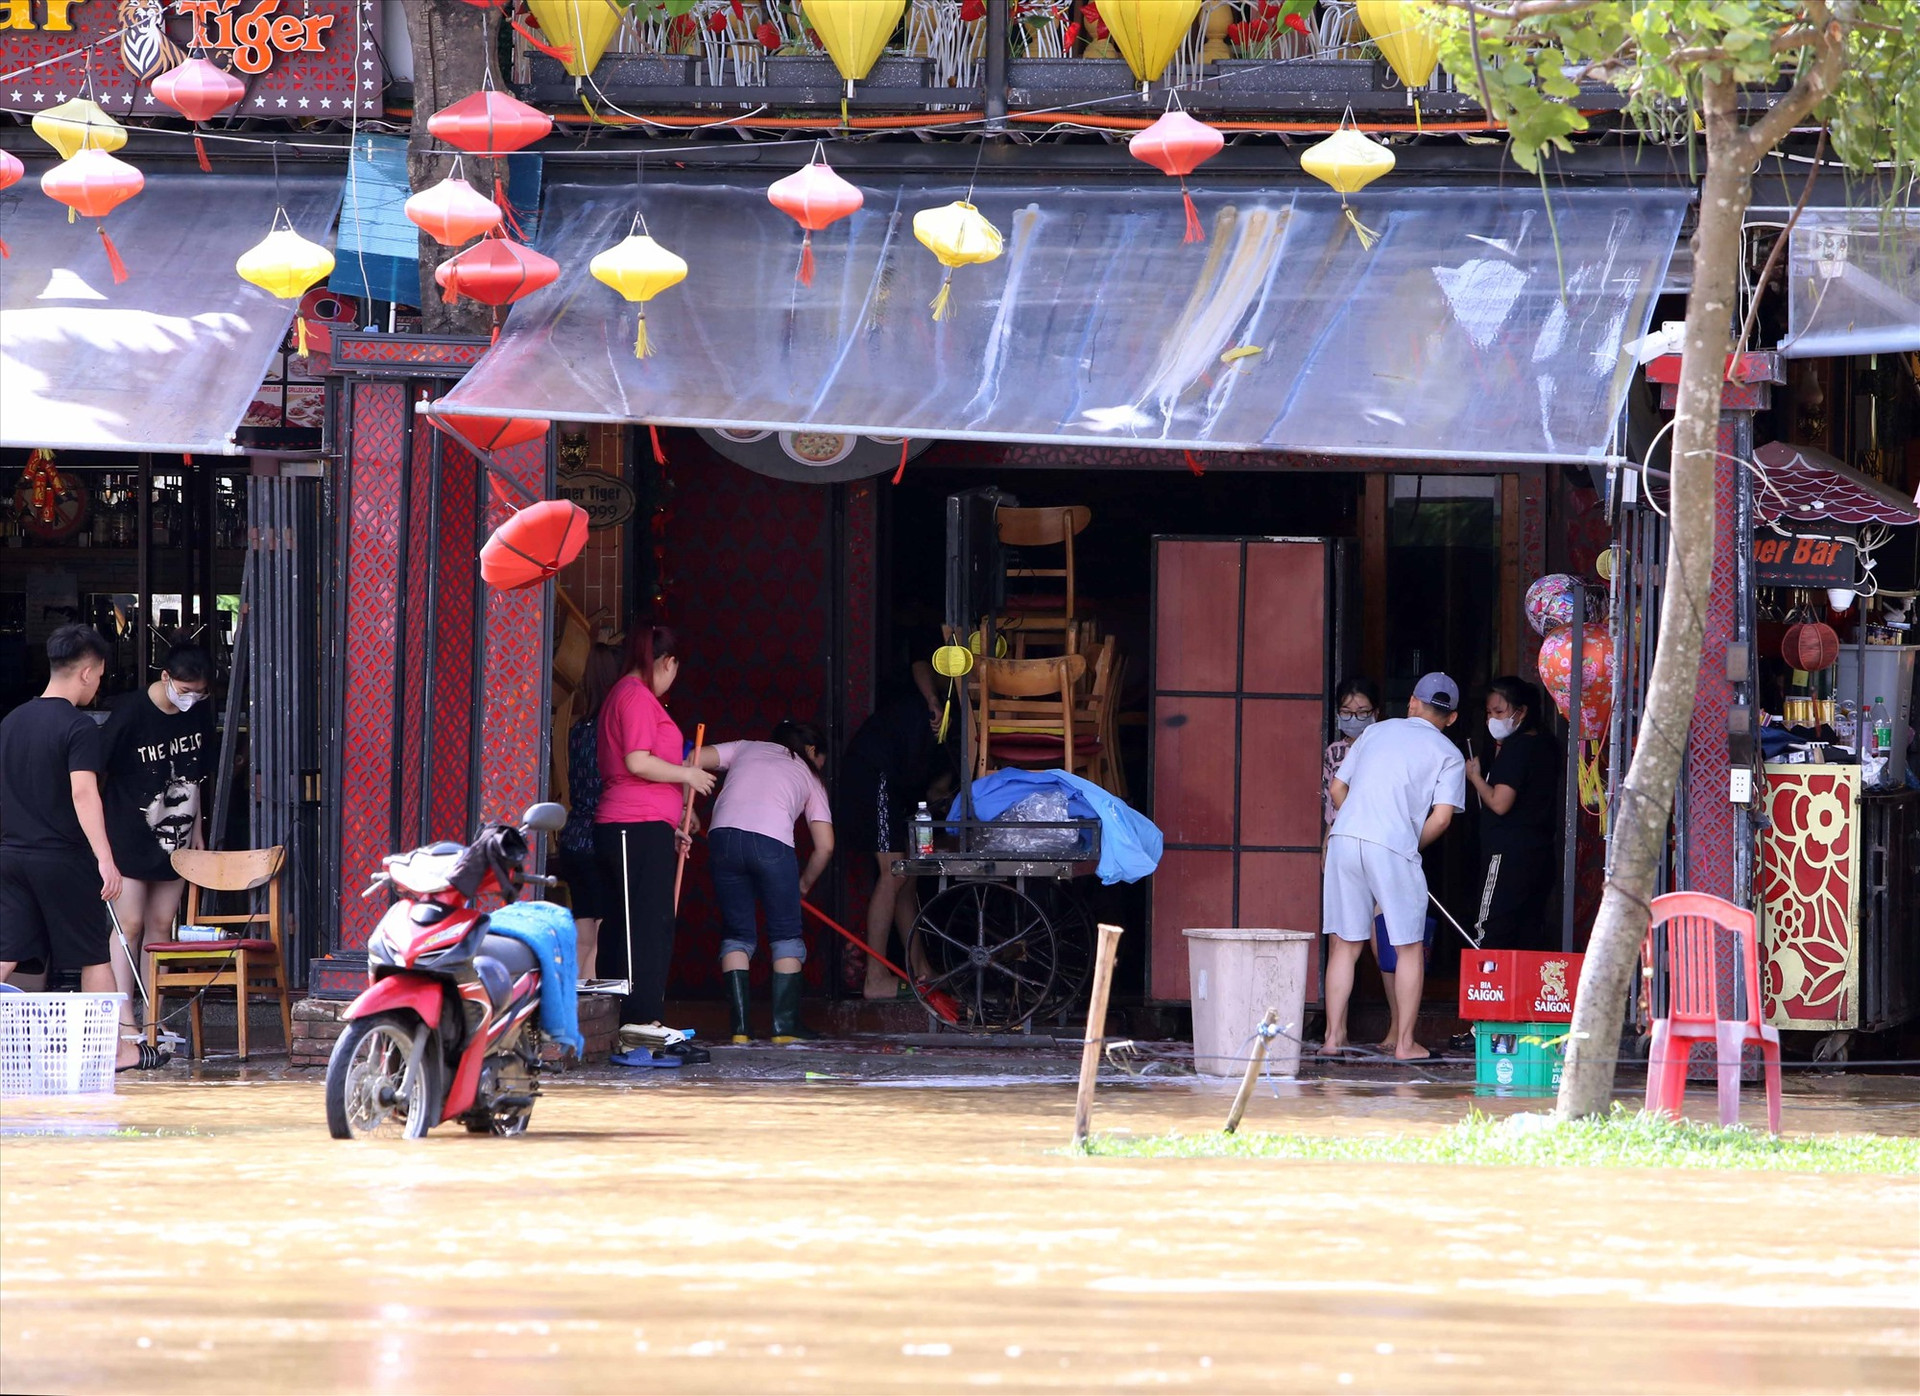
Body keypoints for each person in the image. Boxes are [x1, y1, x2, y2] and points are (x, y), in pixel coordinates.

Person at [0, 625, 163, 1070]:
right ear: (88, 673)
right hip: (62, 858)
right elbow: (84, 794)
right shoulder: (78, 726)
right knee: (94, 954)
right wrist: (106, 860)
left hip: (11, 855)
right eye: (100, 675)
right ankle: (118, 1051)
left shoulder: (11, 721)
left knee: (7, 951)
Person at [1322, 671, 1466, 1061]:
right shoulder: (1449, 754)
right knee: (1407, 947)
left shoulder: (1375, 732)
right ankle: (1405, 1044)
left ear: (1412, 704)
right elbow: (1441, 819)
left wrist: (1361, 821)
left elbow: (1337, 789)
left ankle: (1333, 1039)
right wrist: (1402, 840)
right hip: (1392, 845)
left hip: (1344, 839)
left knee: (1345, 944)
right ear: (1451, 718)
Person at [593, 624, 715, 1062]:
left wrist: (671, 825)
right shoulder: (636, 697)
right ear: (666, 662)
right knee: (639, 929)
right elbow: (637, 762)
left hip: (646, 827)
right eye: (674, 670)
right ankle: (638, 1024)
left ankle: (642, 1022)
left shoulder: (634, 696)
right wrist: (688, 775)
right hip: (630, 826)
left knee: (650, 925)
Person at [100, 642, 215, 1037]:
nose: (192, 699)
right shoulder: (130, 713)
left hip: (177, 835)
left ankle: (153, 1020)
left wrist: (198, 828)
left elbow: (199, 775)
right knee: (128, 924)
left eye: (199, 692)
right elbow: (96, 774)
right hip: (128, 834)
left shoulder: (199, 712)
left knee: (161, 925)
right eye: (184, 691)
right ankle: (123, 1021)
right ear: (165, 678)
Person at [694, 719, 834, 1045]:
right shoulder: (811, 776)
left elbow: (693, 759)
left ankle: (740, 1029)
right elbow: (825, 845)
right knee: (785, 934)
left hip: (723, 839)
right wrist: (804, 884)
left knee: (738, 934)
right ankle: (785, 1027)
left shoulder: (745, 747)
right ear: (812, 750)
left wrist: (686, 807)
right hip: (772, 844)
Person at [1320, 676, 1406, 1051]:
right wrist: (1324, 846)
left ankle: (1395, 1029)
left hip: (1362, 843)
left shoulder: (1384, 746)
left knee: (1382, 940)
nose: (1354, 719)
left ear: (1378, 713)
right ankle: (1334, 1033)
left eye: (1362, 712)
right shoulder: (1337, 751)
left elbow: (1338, 801)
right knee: (1351, 939)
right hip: (1370, 844)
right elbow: (1328, 808)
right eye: (1346, 712)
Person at [839, 690, 941, 999]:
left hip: (895, 783)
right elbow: (920, 665)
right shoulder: (939, 690)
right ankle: (876, 978)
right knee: (894, 873)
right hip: (876, 772)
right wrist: (933, 700)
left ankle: (921, 968)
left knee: (905, 877)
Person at [1464, 677, 1560, 950]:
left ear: (1522, 711)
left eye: (1500, 711)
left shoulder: (1518, 748)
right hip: (1538, 853)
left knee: (1490, 928)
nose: (1492, 719)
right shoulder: (1545, 744)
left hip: (1507, 853)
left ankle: (1490, 988)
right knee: (1528, 931)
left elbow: (1499, 802)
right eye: (1488, 712)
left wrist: (1476, 777)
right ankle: (1523, 992)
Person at [557, 643, 624, 981]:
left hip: (573, 839)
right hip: (598, 839)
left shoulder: (577, 731)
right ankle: (593, 1012)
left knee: (583, 937)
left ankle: (573, 1007)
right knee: (603, 932)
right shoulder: (611, 733)